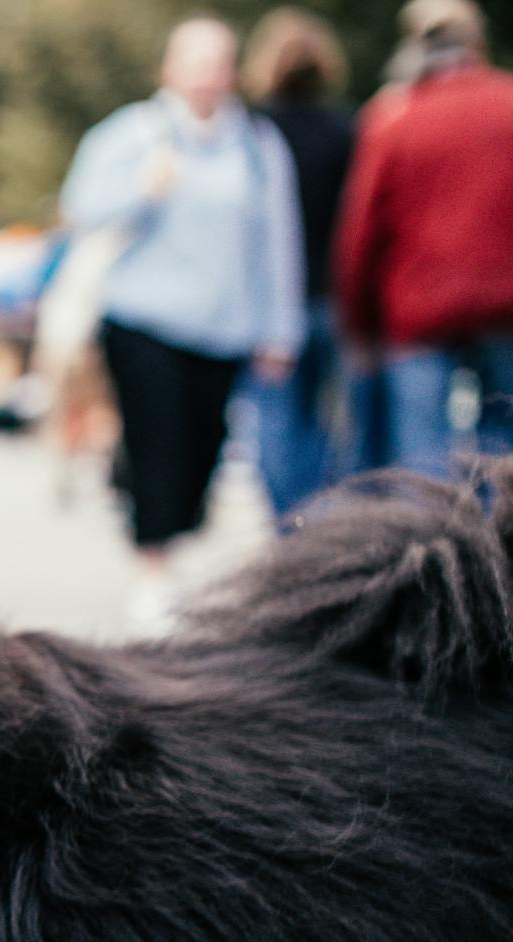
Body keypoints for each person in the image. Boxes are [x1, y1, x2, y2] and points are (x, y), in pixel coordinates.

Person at [59, 17, 304, 635]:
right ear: (169, 69)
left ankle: (163, 533)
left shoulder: (257, 144)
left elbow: (278, 242)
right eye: (193, 63)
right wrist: (142, 190)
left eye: (217, 63)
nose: (205, 76)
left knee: (203, 453)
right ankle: (153, 572)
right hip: (145, 321)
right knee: (159, 444)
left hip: (224, 329)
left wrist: (281, 329)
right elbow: (80, 210)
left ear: (233, 72)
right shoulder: (132, 134)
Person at [336, 0, 513, 477]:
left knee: (422, 455)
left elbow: (362, 231)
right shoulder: (508, 104)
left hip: (416, 310)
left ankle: (435, 545)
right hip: (505, 306)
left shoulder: (393, 116)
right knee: (504, 447)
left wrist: (359, 325)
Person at [240, 8, 355, 518]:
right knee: (329, 424)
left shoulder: (250, 133)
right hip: (334, 298)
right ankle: (320, 523)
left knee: (276, 425)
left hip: (271, 304)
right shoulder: (348, 130)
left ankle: (293, 528)